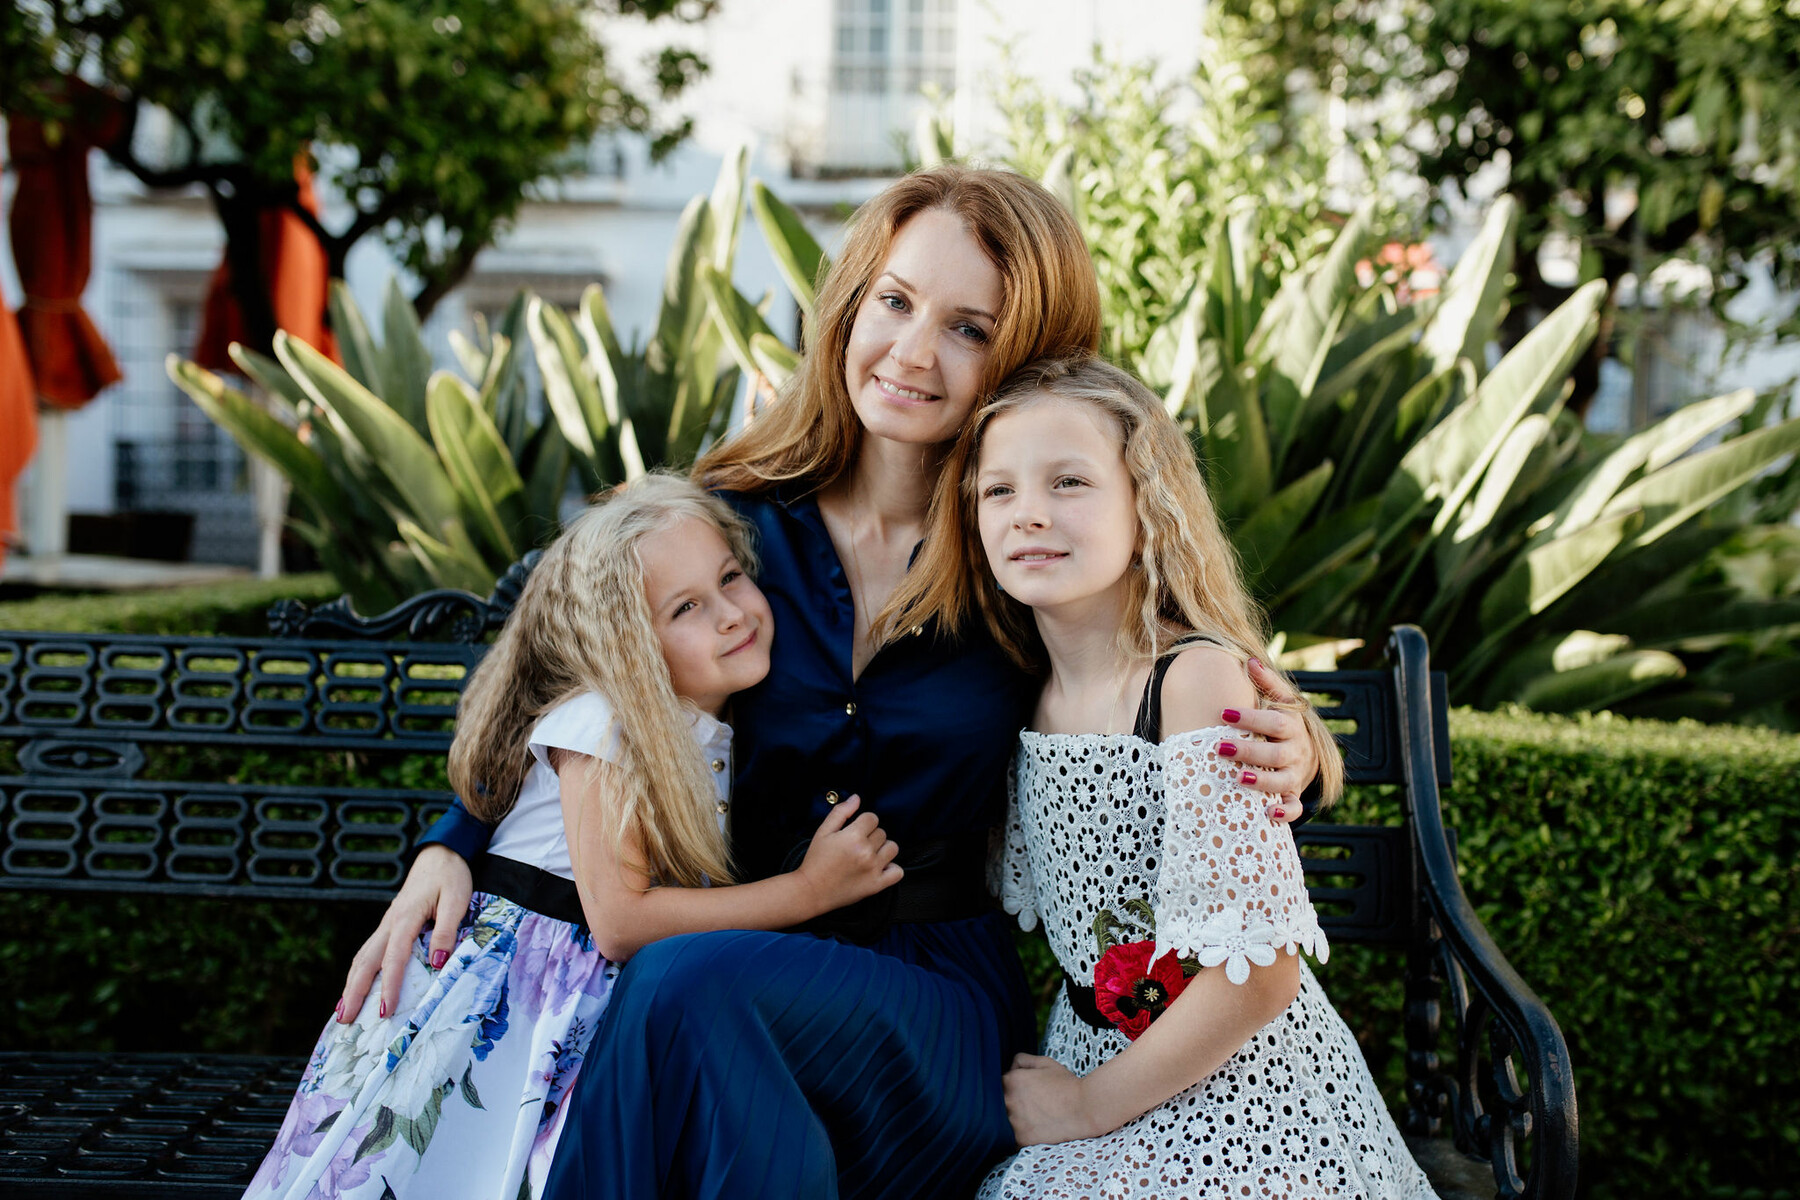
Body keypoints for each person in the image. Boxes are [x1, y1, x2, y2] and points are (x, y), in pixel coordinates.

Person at [341, 165, 1326, 1200]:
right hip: (743, 969)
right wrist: (452, 843)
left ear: (1023, 360)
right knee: (714, 1048)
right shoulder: (729, 525)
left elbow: (1170, 674)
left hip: (926, 1005)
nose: (910, 351)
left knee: (683, 990)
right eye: (894, 301)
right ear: (852, 303)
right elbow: (565, 678)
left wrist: (1292, 744)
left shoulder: (1020, 544)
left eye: (968, 329)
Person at [244, 476, 902, 1200]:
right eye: (685, 607)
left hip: (580, 1008)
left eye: (730, 578)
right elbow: (621, 923)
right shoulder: (604, 727)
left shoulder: (714, 726)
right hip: (503, 1014)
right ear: (627, 644)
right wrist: (807, 891)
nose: (730, 615)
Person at [904, 354, 1436, 1198]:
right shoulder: (1012, 688)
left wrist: (1085, 1104)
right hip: (1095, 1057)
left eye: (1069, 482)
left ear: (1146, 508)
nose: (1028, 514)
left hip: (1243, 1088)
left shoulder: (1189, 681)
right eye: (997, 491)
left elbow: (1260, 975)